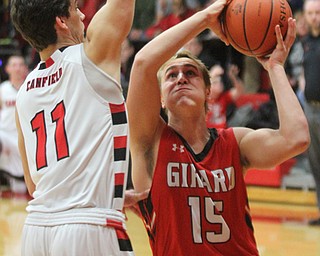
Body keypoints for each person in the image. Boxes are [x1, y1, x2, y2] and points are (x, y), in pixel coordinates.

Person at [126, 0, 310, 254]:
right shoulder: (150, 142)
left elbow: (297, 138)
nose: (181, 77)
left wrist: (275, 68)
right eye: (171, 75)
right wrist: (204, 18)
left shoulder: (235, 143)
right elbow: (143, 63)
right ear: (160, 97)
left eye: (190, 73)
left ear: (208, 91)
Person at [11, 0, 138, 255]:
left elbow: (34, 185)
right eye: (75, 8)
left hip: (36, 230)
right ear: (61, 22)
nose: (82, 14)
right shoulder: (91, 57)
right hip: (89, 227)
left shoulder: (23, 93)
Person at [300, 0, 320, 226]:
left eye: (317, 13)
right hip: (311, 109)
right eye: (311, 13)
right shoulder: (306, 43)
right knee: (316, 163)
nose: (314, 17)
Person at [0, 54, 28, 194]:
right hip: (4, 136)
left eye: (20, 65)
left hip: (24, 139)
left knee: (20, 190)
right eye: (14, 65)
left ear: (26, 69)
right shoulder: (2, 89)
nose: (17, 68)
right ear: (7, 69)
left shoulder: (31, 87)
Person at [206, 63, 243, 129]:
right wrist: (212, 75)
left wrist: (234, 77)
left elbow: (239, 90)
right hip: (209, 133)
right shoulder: (203, 98)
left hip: (222, 131)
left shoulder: (224, 97)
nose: (219, 84)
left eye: (220, 81)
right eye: (215, 82)